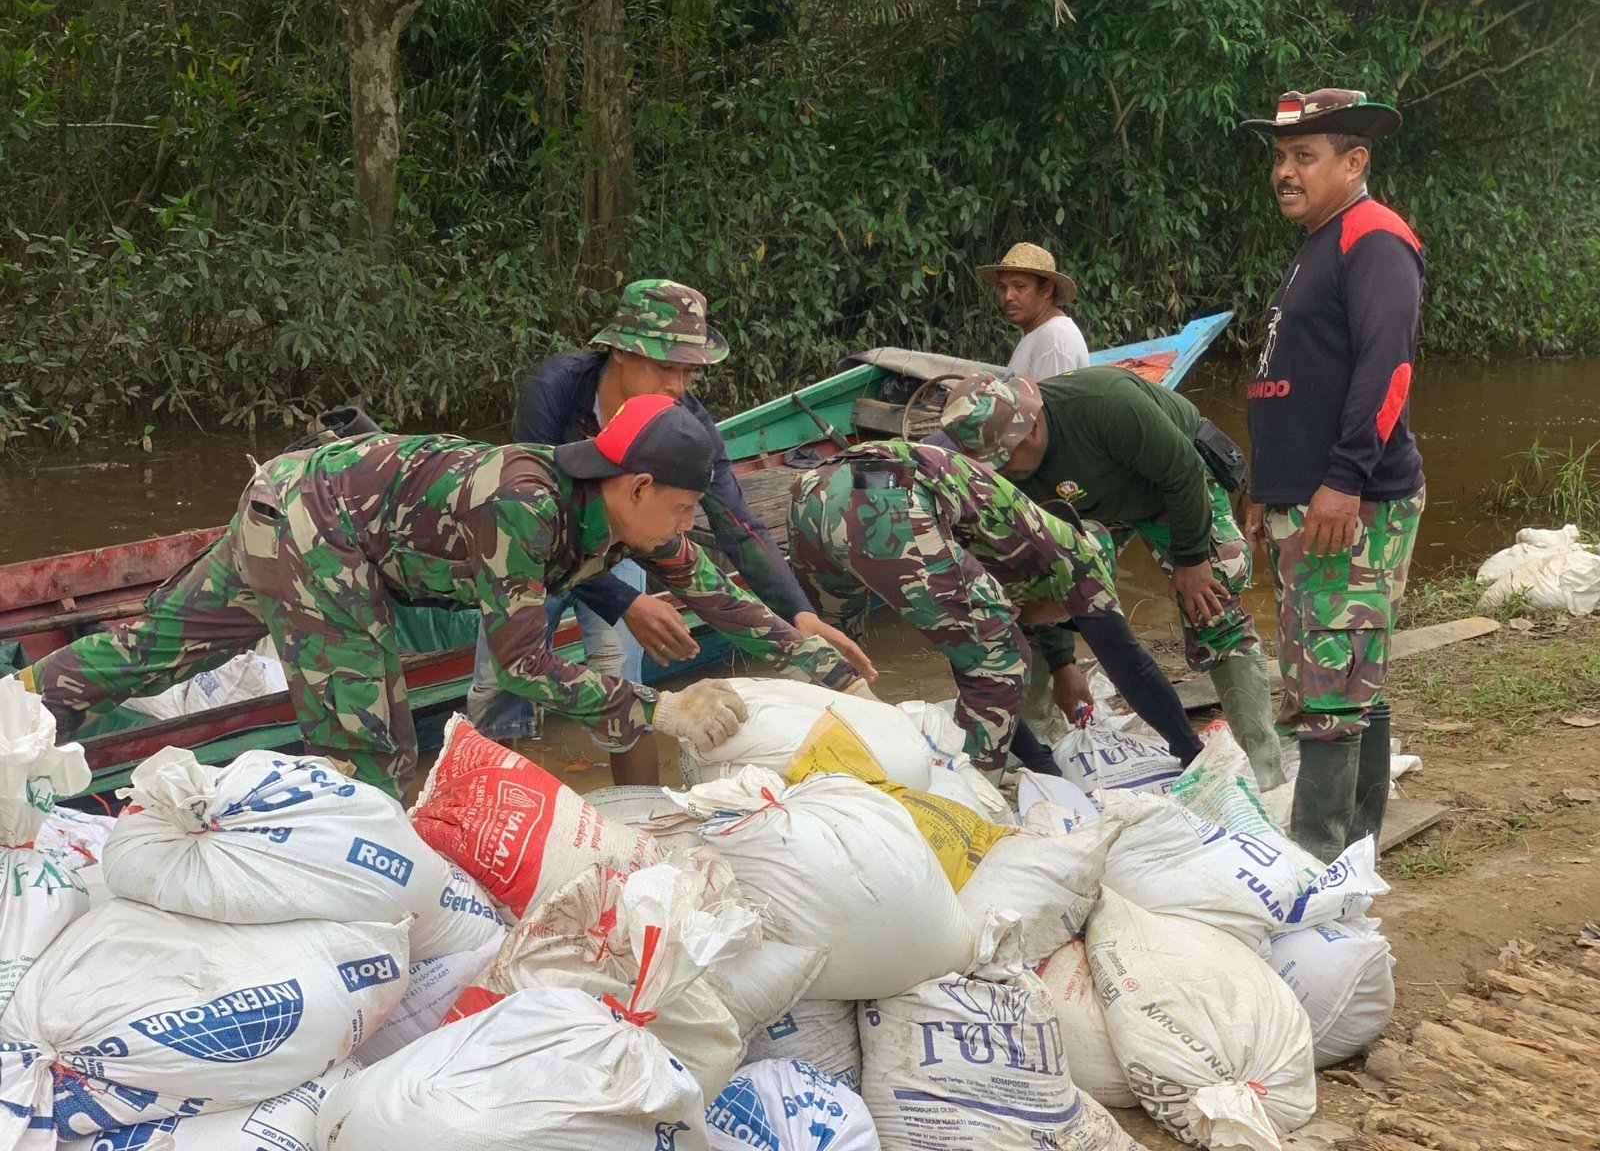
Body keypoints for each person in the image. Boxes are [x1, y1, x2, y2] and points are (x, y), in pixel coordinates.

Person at [31, 395, 861, 797]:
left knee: (158, 648)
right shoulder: (525, 505)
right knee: (371, 745)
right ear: (637, 485)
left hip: (298, 500)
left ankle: (24, 708)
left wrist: (827, 667)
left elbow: (716, 594)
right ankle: (368, 903)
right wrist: (659, 708)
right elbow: (524, 663)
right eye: (682, 508)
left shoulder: (624, 516)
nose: (685, 527)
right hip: (319, 528)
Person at [465, 279, 874, 782]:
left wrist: (797, 613)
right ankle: (491, 795)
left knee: (620, 671)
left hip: (623, 545)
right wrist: (627, 602)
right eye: (665, 367)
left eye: (689, 371)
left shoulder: (686, 424)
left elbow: (737, 523)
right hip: (530, 543)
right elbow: (529, 515)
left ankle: (644, 809)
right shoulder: (554, 391)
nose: (678, 386)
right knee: (502, 679)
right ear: (619, 351)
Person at [1237, 87, 1426, 861]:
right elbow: (1297, 378)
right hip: (1306, 499)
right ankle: (1354, 853)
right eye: (1281, 157)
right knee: (1345, 673)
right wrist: (1268, 487)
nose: (1285, 171)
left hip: (1354, 503)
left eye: (1305, 156)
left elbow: (1388, 369)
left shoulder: (1374, 239)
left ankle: (1319, 869)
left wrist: (1344, 479)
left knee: (1328, 688)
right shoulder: (1321, 241)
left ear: (1354, 163)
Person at [940, 368, 1286, 789]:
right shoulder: (1007, 476)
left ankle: (1264, 767)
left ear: (1031, 429)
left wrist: (1192, 561)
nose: (1001, 472)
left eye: (1003, 459)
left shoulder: (1106, 405)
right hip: (1090, 509)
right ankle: (1027, 763)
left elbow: (1182, 473)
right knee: (1022, 601)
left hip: (1170, 491)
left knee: (1213, 606)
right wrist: (1063, 664)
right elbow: (1044, 570)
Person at [786, 438, 1204, 773]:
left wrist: (1040, 763)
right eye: (1061, 622)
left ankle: (814, 761)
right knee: (999, 658)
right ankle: (971, 800)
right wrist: (1192, 752)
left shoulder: (1014, 544)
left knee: (836, 654)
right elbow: (1132, 667)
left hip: (815, 490)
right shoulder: (1081, 557)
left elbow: (969, 663)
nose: (1045, 626)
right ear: (1067, 600)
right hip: (887, 500)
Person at [977, 242, 1090, 378]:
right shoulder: (1040, 333)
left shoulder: (1054, 339)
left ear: (1047, 289)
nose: (1008, 296)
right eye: (1002, 288)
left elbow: (1047, 393)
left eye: (1019, 286)